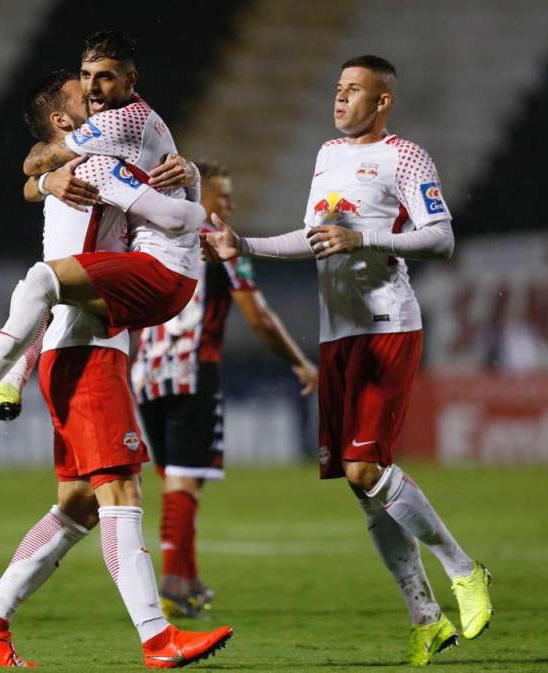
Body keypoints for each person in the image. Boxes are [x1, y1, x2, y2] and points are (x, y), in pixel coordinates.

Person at [200, 55, 493, 666]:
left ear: (382, 101)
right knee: (364, 491)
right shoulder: (327, 155)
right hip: (338, 336)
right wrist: (243, 244)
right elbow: (312, 239)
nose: (340, 99)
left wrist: (367, 237)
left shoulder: (406, 157)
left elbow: (441, 236)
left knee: (365, 470)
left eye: (354, 91)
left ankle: (464, 569)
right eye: (337, 89)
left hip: (388, 323)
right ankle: (425, 618)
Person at [0, 69, 232, 669]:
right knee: (120, 494)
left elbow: (36, 173)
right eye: (86, 96)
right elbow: (47, 175)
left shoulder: (88, 159)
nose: (103, 100)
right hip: (87, 352)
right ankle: (159, 638)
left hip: (81, 351)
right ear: (63, 121)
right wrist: (52, 174)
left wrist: (186, 173)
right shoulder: (84, 164)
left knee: (77, 503)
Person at [0, 30, 207, 428]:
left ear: (128, 79)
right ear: (61, 120)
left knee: (41, 282)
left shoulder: (106, 141)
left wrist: (198, 200)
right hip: (95, 312)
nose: (91, 91)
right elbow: (33, 175)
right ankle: (8, 385)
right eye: (84, 81)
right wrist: (48, 182)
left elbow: (33, 165)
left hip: (132, 296)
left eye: (101, 79)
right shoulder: (92, 151)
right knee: (79, 491)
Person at [131, 160, 318, 618]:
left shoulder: (152, 236)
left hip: (146, 373)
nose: (231, 205)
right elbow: (258, 316)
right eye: (224, 195)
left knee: (176, 480)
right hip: (193, 370)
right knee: (185, 481)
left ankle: (187, 580)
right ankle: (174, 585)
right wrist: (299, 362)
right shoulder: (220, 245)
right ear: (201, 197)